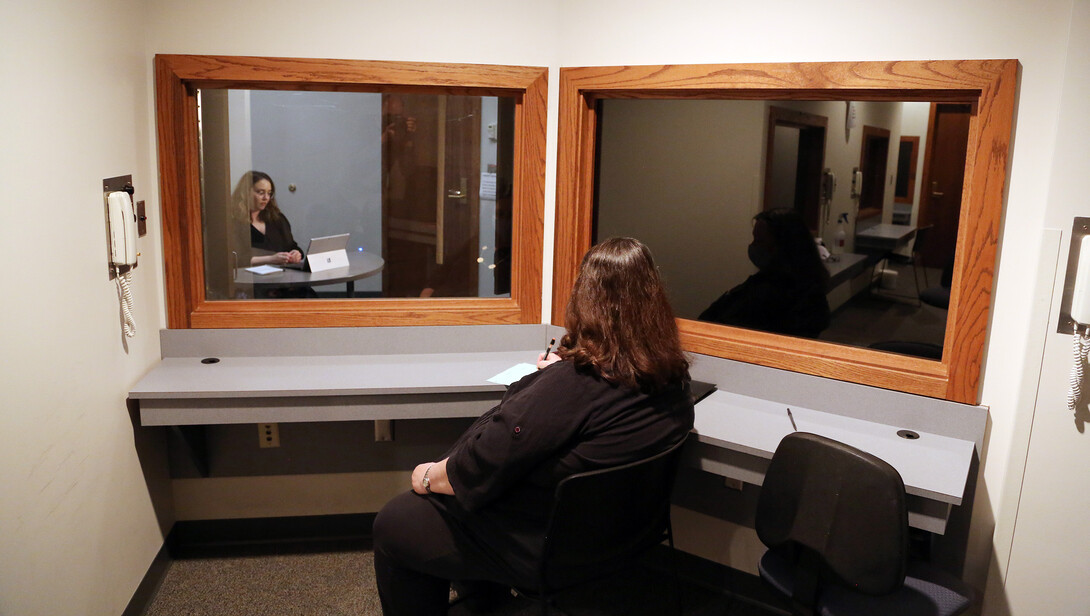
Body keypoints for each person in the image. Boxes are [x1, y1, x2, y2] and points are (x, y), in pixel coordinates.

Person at [372, 237, 695, 616]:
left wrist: (427, 476)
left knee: (396, 522)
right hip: (622, 537)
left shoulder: (575, 384)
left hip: (548, 548)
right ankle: (485, 602)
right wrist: (557, 376)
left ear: (585, 300)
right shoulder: (673, 379)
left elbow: (483, 462)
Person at [699, 208, 831, 338]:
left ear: (783, 247)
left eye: (759, 241)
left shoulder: (786, 294)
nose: (753, 246)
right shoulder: (766, 281)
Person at [231, 170, 304, 267]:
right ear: (245, 193)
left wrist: (296, 254)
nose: (266, 198)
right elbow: (234, 258)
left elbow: (292, 246)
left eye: (269, 193)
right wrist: (271, 259)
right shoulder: (233, 222)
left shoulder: (277, 219)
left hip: (281, 277)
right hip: (250, 279)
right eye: (260, 192)